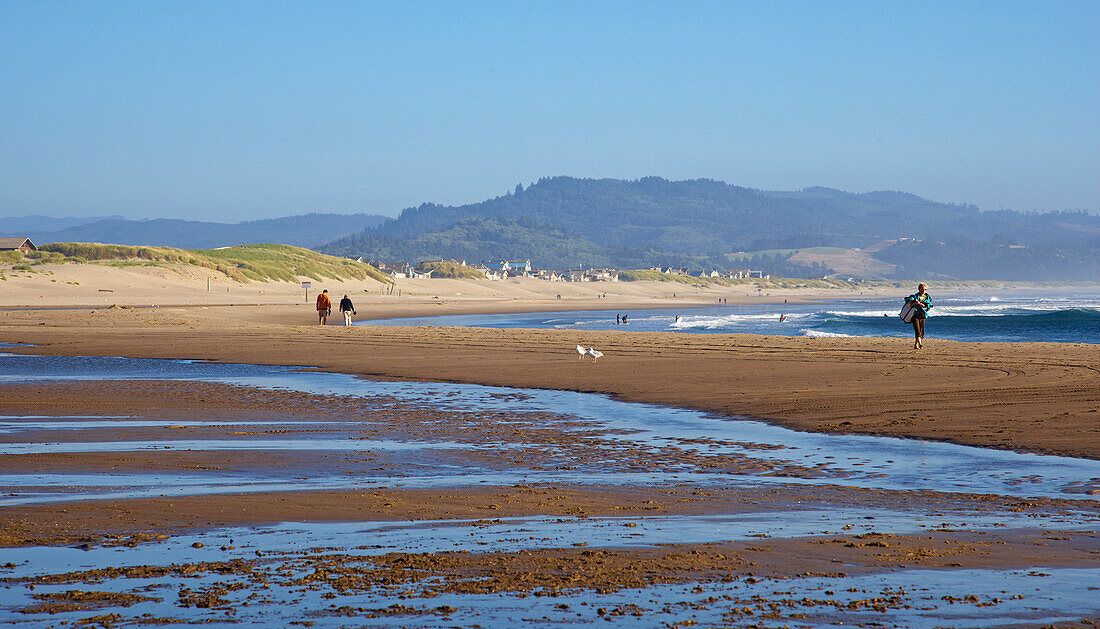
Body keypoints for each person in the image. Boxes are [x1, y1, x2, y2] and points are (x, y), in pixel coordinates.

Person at [904, 283, 933, 349]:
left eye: (925, 289)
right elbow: (909, 305)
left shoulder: (927, 298)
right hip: (914, 315)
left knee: (921, 329)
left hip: (923, 315)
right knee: (917, 329)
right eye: (922, 289)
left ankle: (916, 344)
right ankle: (920, 343)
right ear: (919, 289)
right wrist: (915, 303)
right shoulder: (914, 297)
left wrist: (922, 305)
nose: (923, 291)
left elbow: (928, 306)